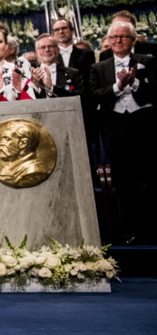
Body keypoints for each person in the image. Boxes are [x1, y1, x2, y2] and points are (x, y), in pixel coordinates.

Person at [89, 21, 154, 243]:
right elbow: (94, 95)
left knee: (148, 177)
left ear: (133, 40)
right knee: (123, 180)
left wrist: (134, 83)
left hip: (144, 125)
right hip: (114, 127)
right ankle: (130, 230)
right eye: (114, 37)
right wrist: (117, 87)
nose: (118, 40)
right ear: (108, 41)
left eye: (123, 36)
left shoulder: (148, 61)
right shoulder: (99, 67)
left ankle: (151, 229)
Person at [31, 34, 83, 98]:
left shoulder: (73, 73)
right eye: (43, 47)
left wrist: (51, 88)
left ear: (58, 50)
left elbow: (79, 98)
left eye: (50, 46)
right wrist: (36, 87)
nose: (47, 49)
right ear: (36, 53)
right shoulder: (29, 75)